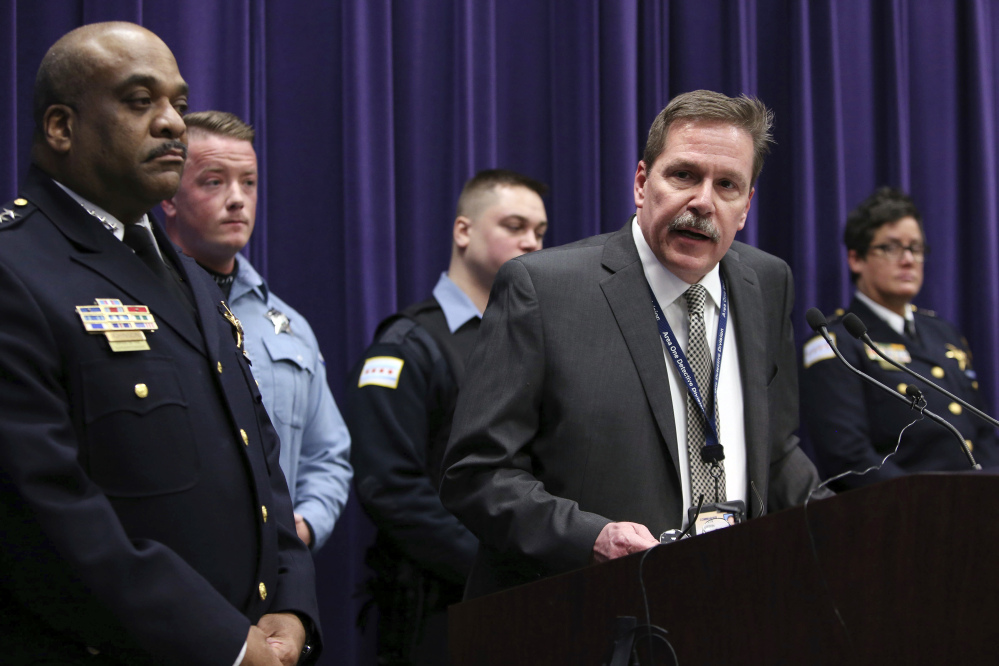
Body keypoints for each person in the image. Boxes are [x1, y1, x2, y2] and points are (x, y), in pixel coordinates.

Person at [0, 22, 318, 665]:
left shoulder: (190, 276)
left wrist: (290, 602)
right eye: (140, 101)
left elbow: (258, 453)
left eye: (176, 101)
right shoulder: (15, 267)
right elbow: (41, 510)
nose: (173, 122)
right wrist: (225, 642)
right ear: (61, 127)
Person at [440, 90, 826, 598]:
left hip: (734, 604)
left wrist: (847, 520)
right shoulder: (543, 289)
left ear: (747, 204)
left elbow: (774, 449)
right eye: (684, 175)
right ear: (643, 183)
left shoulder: (766, 282)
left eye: (727, 185)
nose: (703, 202)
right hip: (584, 611)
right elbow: (476, 474)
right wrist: (591, 538)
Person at [344, 170, 548, 663]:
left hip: (527, 604)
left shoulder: (536, 339)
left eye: (540, 232)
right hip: (435, 611)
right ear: (464, 232)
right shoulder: (407, 347)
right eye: (515, 226)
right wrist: (490, 565)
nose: (532, 243)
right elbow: (389, 488)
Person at [161, 110, 352, 551]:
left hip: (276, 578)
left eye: (248, 182)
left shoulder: (288, 327)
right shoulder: (138, 306)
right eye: (214, 181)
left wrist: (302, 529)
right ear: (169, 195)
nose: (237, 199)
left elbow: (328, 456)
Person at [801, 187, 998, 488]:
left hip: (976, 508)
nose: (908, 260)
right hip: (905, 516)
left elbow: (983, 431)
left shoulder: (944, 333)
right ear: (856, 258)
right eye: (891, 248)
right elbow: (849, 457)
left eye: (916, 248)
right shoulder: (835, 344)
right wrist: (926, 507)